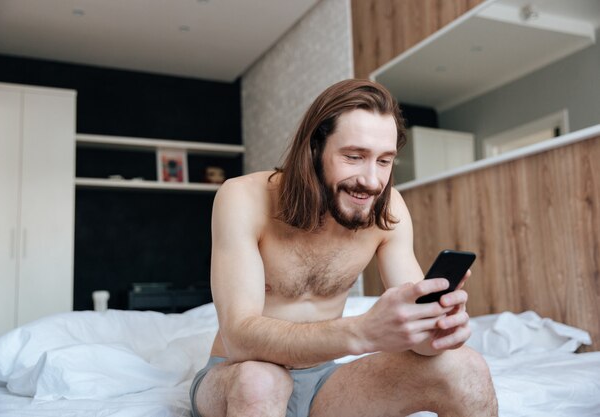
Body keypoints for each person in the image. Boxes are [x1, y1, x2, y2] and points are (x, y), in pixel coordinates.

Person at [190, 79, 498, 417]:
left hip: (323, 381)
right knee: (261, 381)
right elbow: (239, 338)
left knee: (465, 367)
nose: (372, 180)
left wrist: (435, 331)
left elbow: (421, 343)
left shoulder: (389, 209)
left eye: (384, 161)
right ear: (314, 149)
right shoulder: (242, 197)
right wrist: (361, 331)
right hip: (240, 374)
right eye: (354, 156)